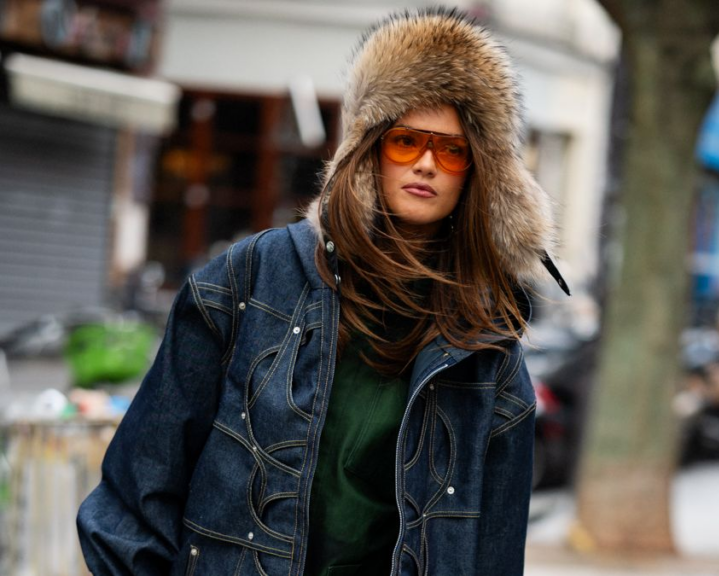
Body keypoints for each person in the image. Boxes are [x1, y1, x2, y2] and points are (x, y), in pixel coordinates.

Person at [76, 9, 568, 576]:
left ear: (476, 172)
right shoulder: (251, 278)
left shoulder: (487, 347)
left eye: (451, 150)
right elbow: (136, 495)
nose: (427, 163)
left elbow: (494, 554)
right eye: (406, 141)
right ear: (369, 147)